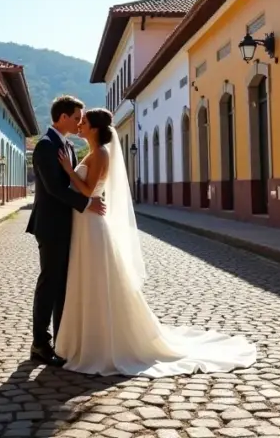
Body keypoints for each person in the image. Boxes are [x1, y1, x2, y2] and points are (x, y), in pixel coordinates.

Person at [55, 107, 257, 377]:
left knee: (97, 280)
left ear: (94, 128)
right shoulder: (93, 153)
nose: (80, 125)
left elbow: (90, 192)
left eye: (84, 122)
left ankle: (102, 342)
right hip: (85, 223)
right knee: (88, 279)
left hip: (92, 225)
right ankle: (87, 337)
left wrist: (69, 172)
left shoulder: (101, 153)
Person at [26, 95, 105, 367]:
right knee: (49, 283)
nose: (79, 122)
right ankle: (39, 343)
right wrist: (87, 203)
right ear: (62, 117)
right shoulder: (45, 146)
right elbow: (54, 189)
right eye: (75, 118)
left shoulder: (68, 146)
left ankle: (61, 340)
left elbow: (73, 182)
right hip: (50, 225)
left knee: (64, 285)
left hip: (71, 226)